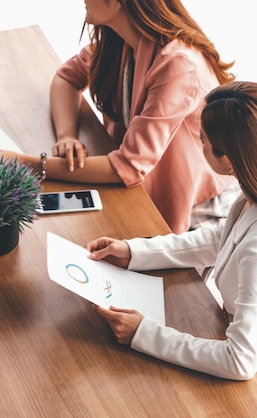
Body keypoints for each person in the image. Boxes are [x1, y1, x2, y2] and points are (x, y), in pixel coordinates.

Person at [0, 0, 239, 234]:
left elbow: (129, 166)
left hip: (198, 212)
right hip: (138, 189)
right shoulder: (123, 39)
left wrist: (27, 164)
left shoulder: (177, 64)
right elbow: (66, 78)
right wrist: (67, 136)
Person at [85, 81, 257, 380]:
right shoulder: (249, 193)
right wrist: (133, 251)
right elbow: (221, 237)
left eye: (201, 139)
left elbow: (239, 361)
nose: (197, 144)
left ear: (227, 159)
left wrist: (145, 334)